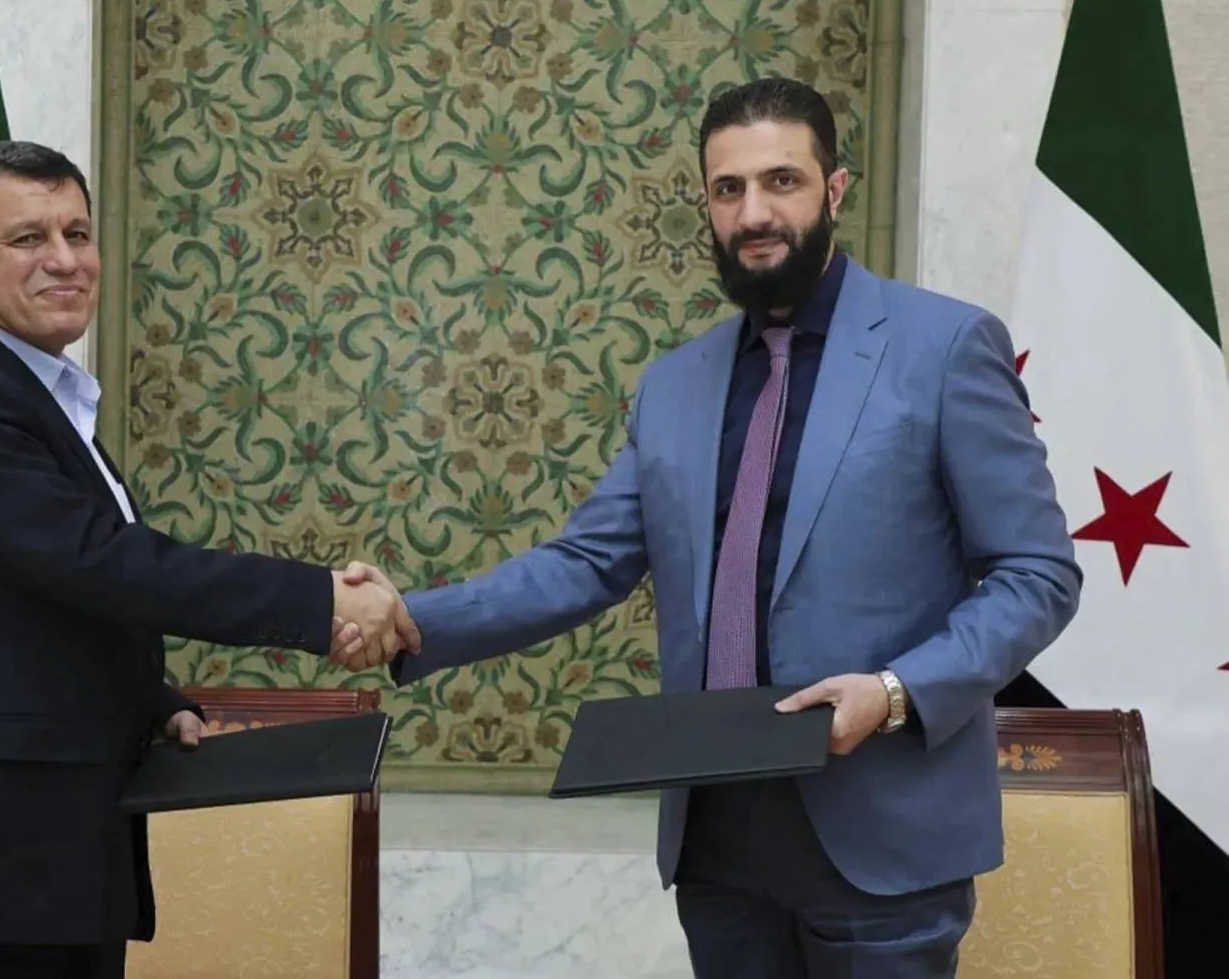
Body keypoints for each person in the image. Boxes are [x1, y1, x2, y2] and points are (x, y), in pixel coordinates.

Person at [345, 77, 1082, 977]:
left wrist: (894, 693)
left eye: (782, 181)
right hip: (719, 840)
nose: (754, 213)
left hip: (880, 837)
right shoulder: (675, 384)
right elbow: (587, 562)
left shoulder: (946, 347)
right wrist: (409, 617)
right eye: (728, 189)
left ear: (835, 190)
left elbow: (1037, 575)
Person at [0, 140, 418, 979]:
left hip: (42, 864)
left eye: (78, 233)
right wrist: (319, 602)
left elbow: (40, 606)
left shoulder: (35, 394)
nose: (65, 260)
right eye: (28, 238)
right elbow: (100, 562)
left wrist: (149, 701)